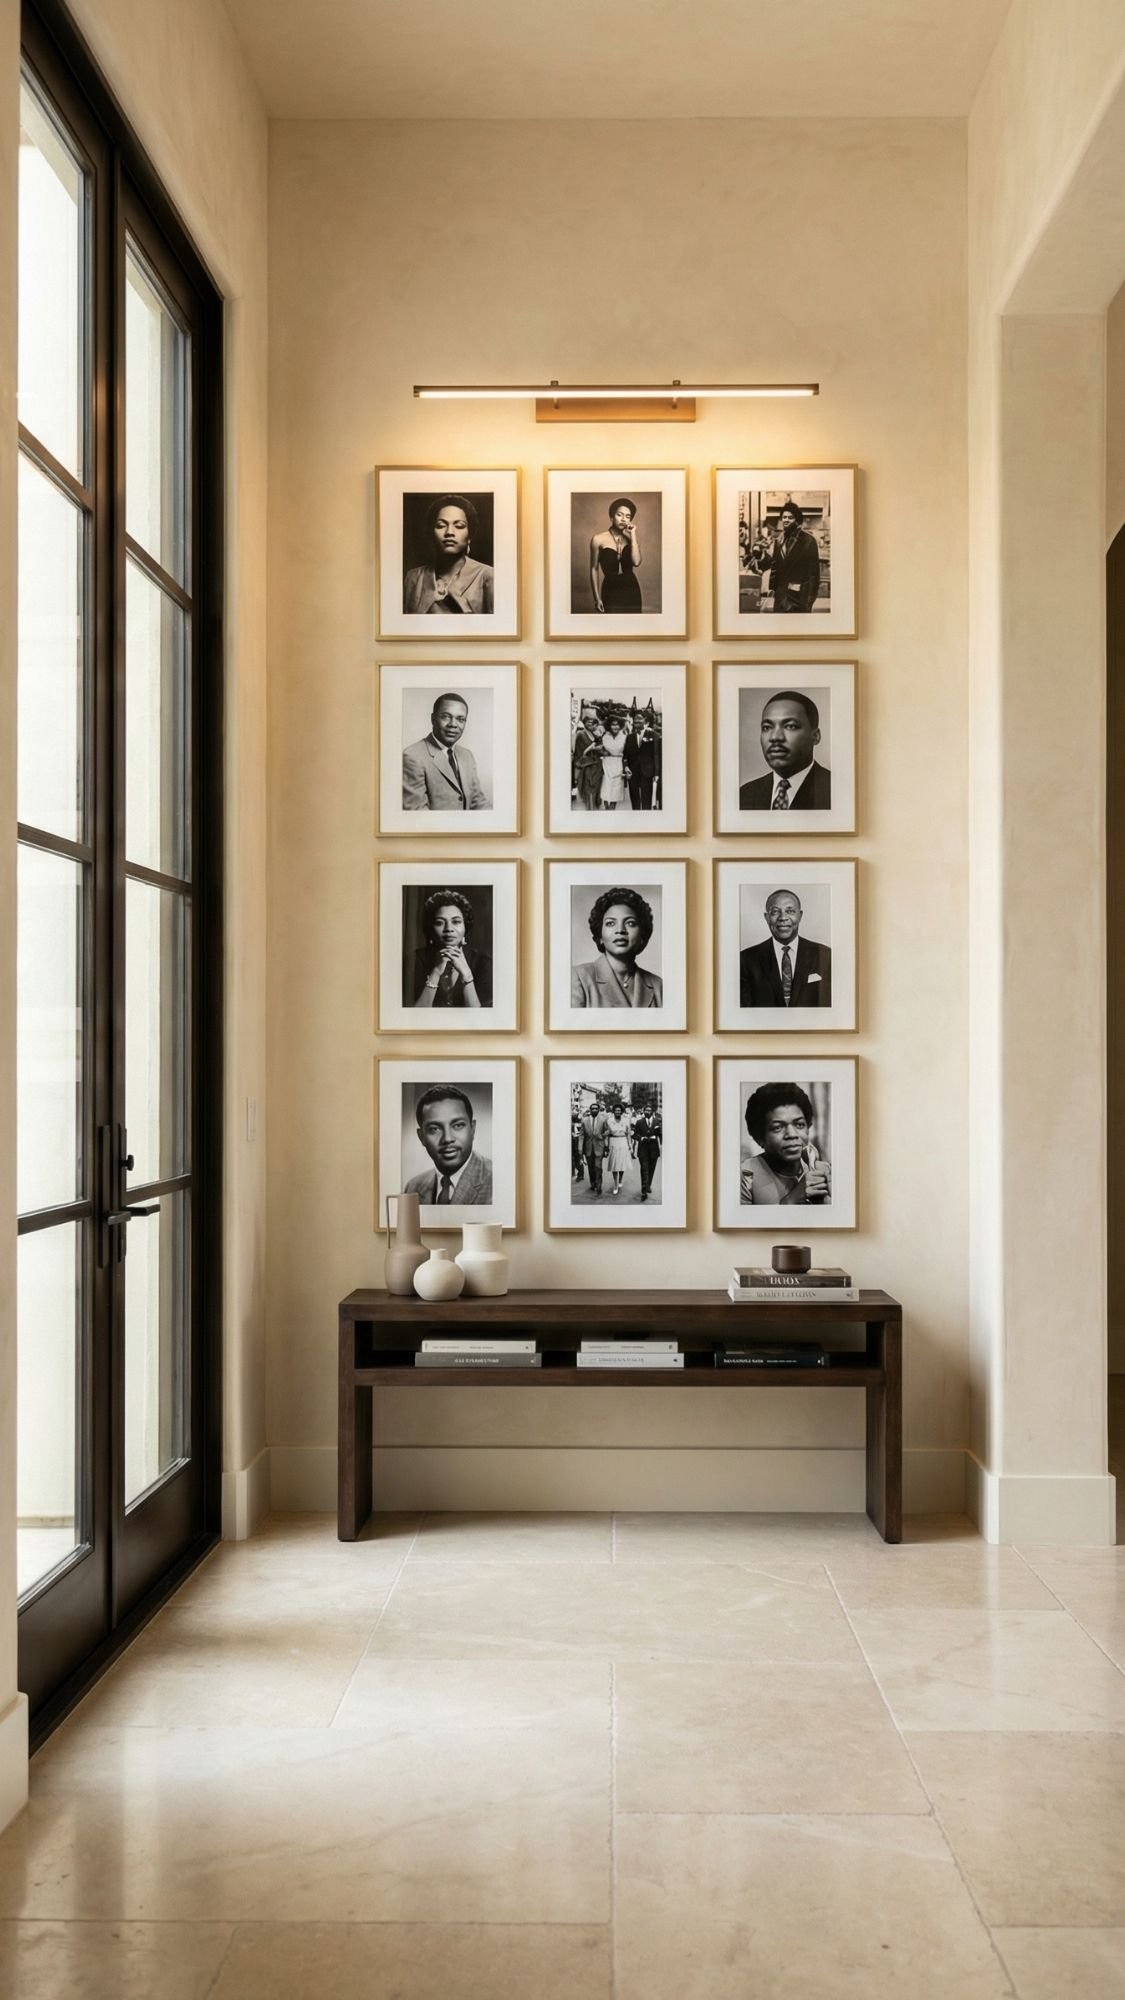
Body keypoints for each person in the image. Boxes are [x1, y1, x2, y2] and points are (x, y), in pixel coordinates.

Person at [740, 1083, 831, 1206]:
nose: (792, 1134)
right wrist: (792, 1200)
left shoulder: (822, 1170)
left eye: (799, 1124)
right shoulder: (745, 1175)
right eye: (777, 1128)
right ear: (759, 1138)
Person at [571, 887, 663, 1010]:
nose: (620, 930)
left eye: (630, 923)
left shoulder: (658, 985)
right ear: (600, 936)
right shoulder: (578, 977)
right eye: (610, 923)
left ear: (642, 935)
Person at [739, 690, 831, 812]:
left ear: (815, 736)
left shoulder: (836, 791)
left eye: (790, 726)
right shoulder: (745, 795)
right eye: (767, 727)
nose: (775, 737)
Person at [403, 494, 494, 616]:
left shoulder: (487, 576)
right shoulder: (412, 578)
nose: (449, 532)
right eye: (441, 525)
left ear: (469, 536)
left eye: (459, 526)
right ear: (431, 533)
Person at [739, 890, 832, 1009]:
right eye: (775, 912)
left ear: (800, 915)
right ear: (767, 917)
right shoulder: (746, 960)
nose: (783, 917)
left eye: (790, 911)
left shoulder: (825, 955)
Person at [405, 1085, 492, 1206]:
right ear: (421, 1137)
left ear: (473, 1129)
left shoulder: (498, 1181)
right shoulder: (413, 1187)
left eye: (458, 1125)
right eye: (434, 1129)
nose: (447, 1138)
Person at [403, 693, 489, 812]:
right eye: (446, 716)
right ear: (433, 719)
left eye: (460, 719)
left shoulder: (467, 755)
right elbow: (417, 815)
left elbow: (478, 802)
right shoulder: (413, 756)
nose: (453, 724)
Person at [407, 889, 492, 1010]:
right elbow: (412, 1019)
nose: (449, 929)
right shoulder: (413, 961)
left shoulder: (484, 963)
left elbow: (482, 1021)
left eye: (456, 922)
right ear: (430, 928)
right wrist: (436, 972)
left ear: (465, 926)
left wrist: (467, 975)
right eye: (439, 922)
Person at [760, 497, 822, 615]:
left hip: (799, 600)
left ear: (797, 520)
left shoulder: (809, 541)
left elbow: (814, 575)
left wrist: (809, 601)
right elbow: (775, 567)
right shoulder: (779, 541)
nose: (786, 520)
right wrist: (773, 590)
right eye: (784, 517)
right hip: (780, 599)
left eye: (790, 517)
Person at [590, 498, 642, 614]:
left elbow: (636, 562)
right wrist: (597, 599)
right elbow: (594, 568)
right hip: (610, 589)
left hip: (632, 589)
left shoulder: (632, 540)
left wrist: (633, 535)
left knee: (633, 628)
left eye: (628, 517)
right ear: (611, 517)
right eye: (620, 515)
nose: (623, 519)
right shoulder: (598, 539)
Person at [572, 707, 606, 813]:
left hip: (597, 769)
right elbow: (579, 755)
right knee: (588, 794)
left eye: (594, 722)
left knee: (596, 794)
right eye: (588, 722)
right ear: (585, 722)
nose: (592, 725)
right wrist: (594, 749)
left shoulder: (595, 735)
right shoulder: (581, 735)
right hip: (586, 769)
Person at [624, 711, 659, 812]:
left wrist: (656, 773)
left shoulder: (654, 735)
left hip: (647, 772)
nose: (637, 722)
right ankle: (636, 819)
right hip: (632, 772)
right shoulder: (629, 737)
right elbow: (625, 755)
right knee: (634, 798)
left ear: (646, 721)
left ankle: (646, 820)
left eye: (640, 719)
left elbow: (656, 755)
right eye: (635, 720)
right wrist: (626, 767)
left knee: (646, 799)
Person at [631, 1101, 662, 1202]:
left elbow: (661, 1134)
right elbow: (634, 1134)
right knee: (644, 1168)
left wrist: (660, 1140)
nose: (647, 1112)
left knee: (651, 1169)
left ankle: (648, 1185)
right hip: (643, 1149)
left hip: (654, 1149)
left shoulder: (657, 1121)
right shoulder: (639, 1122)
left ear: (652, 1111)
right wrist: (642, 1138)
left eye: (649, 1110)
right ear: (643, 1111)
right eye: (646, 1110)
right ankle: (644, 1190)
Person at [604, 1101, 633, 1196]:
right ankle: (615, 1185)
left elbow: (628, 1134)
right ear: (613, 1111)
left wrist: (630, 1146)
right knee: (614, 1165)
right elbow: (607, 1134)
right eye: (616, 1110)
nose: (617, 1112)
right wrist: (606, 1146)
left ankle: (620, 1180)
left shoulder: (626, 1120)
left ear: (622, 1111)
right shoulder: (609, 1120)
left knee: (621, 1164)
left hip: (623, 1142)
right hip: (613, 1143)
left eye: (619, 1110)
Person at [599, 713, 628, 809]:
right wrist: (603, 752)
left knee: (616, 790)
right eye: (613, 724)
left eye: (617, 724)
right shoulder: (604, 736)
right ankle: (607, 807)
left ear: (620, 725)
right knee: (606, 789)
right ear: (609, 726)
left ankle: (612, 809)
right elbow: (600, 749)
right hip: (607, 765)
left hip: (618, 765)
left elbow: (626, 751)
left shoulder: (624, 737)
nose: (615, 727)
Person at [580, 1098, 609, 1193]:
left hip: (599, 1147)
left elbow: (607, 1131)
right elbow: (581, 1135)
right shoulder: (584, 1121)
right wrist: (580, 1149)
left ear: (598, 1110)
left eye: (596, 1109)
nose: (594, 1110)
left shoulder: (603, 1120)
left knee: (598, 1167)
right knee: (590, 1167)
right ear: (590, 1110)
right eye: (593, 1109)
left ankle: (599, 1186)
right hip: (588, 1148)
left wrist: (603, 1139)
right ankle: (593, 1183)